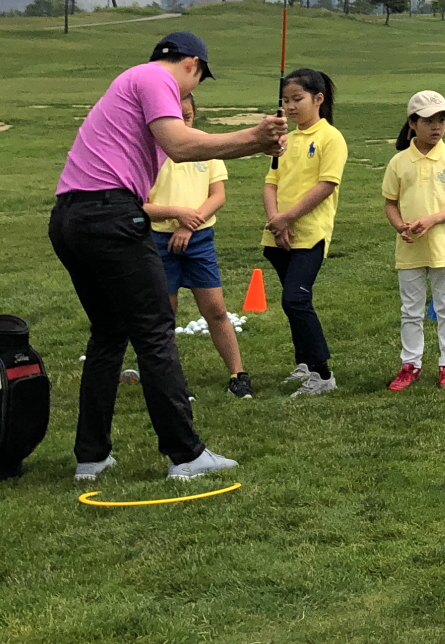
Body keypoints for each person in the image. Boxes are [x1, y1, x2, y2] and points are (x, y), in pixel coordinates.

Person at [48, 31, 283, 482]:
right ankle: (186, 454)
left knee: (109, 334)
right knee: (156, 331)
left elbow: (190, 147)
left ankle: (91, 457)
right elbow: (181, 145)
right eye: (199, 80)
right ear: (192, 64)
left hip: (71, 218)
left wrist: (255, 144)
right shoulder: (156, 79)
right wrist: (255, 135)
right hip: (111, 216)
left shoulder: (131, 87)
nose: (190, 92)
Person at [142, 90, 253, 400]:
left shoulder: (206, 145)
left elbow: (217, 195)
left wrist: (188, 224)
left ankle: (238, 374)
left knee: (215, 309)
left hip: (199, 238)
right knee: (165, 314)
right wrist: (177, 215)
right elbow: (140, 205)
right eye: (175, 119)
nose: (183, 124)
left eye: (188, 117)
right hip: (159, 240)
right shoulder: (147, 151)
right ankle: (171, 382)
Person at [382, 90, 445, 390]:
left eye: (441, 120)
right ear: (412, 123)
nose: (436, 127)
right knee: (411, 310)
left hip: (443, 248)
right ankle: (410, 364)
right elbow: (390, 204)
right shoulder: (399, 162)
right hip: (410, 249)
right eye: (428, 121)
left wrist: (433, 220)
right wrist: (400, 226)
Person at [262, 68, 346, 398]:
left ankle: (323, 374)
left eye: (297, 99)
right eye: (286, 100)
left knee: (295, 299)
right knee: (293, 302)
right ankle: (305, 365)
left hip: (309, 234)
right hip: (279, 234)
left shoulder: (330, 138)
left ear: (318, 99)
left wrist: (288, 218)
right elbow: (271, 184)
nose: (290, 106)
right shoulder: (285, 140)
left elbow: (326, 185)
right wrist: (276, 220)